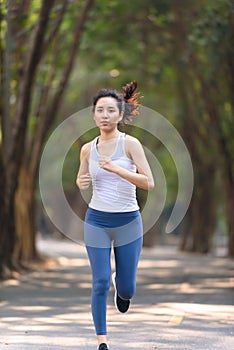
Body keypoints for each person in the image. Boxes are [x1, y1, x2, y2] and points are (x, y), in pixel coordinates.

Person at [76, 81, 154, 350]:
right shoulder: (88, 149)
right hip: (96, 220)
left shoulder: (130, 144)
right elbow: (81, 177)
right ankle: (102, 341)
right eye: (100, 110)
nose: (105, 115)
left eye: (111, 110)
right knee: (99, 281)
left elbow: (149, 183)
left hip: (128, 222)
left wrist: (118, 170)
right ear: (94, 114)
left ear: (120, 115)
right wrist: (81, 181)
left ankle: (122, 290)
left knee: (127, 288)